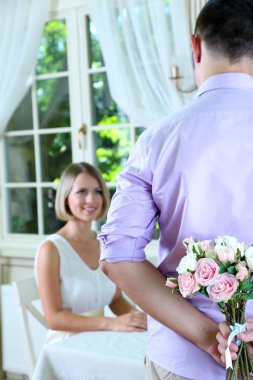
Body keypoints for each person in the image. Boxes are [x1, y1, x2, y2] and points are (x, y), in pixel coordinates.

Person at [98, 1, 253, 379]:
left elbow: (118, 255)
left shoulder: (157, 140)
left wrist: (205, 336)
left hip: (182, 360)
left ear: (195, 47)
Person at [34, 162, 147, 343]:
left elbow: (116, 298)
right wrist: (112, 323)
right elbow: (53, 319)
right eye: (82, 192)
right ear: (65, 197)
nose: (91, 200)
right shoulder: (51, 250)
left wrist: (141, 320)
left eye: (97, 191)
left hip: (100, 338)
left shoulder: (105, 244)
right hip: (66, 343)